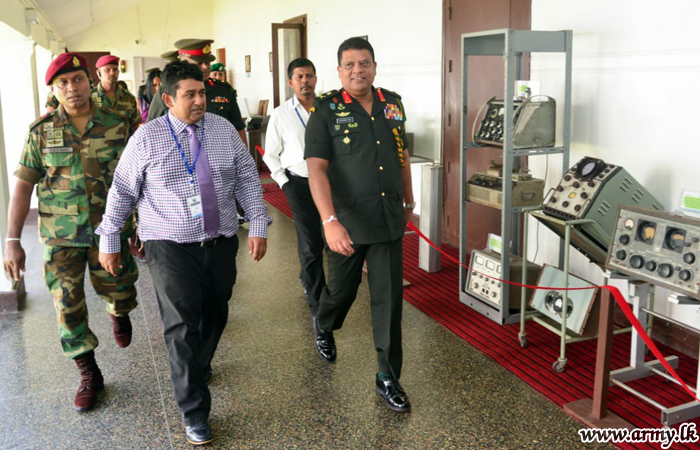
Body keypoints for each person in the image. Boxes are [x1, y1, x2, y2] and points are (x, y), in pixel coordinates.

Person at [96, 60, 271, 445]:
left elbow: (246, 176)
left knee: (216, 310)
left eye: (202, 93)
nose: (199, 101)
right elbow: (122, 190)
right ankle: (194, 411)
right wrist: (109, 239)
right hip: (169, 245)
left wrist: (258, 223)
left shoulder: (222, 130)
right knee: (181, 325)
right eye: (189, 94)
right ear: (168, 98)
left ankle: (198, 364)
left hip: (220, 240)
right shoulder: (147, 137)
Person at [2, 53, 139, 412]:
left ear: (89, 82)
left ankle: (119, 311)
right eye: (62, 82)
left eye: (77, 79)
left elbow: (138, 177)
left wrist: (140, 223)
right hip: (61, 236)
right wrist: (12, 240)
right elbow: (23, 186)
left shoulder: (117, 124)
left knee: (120, 289)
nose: (71, 87)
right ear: (53, 89)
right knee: (67, 305)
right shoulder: (41, 131)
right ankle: (89, 372)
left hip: (109, 230)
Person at [305, 37, 415, 412]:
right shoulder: (326, 109)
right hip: (347, 222)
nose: (358, 70)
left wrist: (409, 199)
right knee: (342, 292)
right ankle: (324, 323)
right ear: (339, 71)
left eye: (364, 63)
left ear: (374, 67)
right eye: (350, 65)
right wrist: (329, 221)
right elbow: (316, 170)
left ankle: (387, 376)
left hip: (388, 219)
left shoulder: (392, 103)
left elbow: (401, 154)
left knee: (389, 299)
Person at [263, 58, 325, 324]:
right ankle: (317, 301)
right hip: (298, 183)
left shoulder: (328, 108)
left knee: (332, 239)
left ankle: (308, 277)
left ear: (316, 79)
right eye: (299, 77)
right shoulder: (280, 114)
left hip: (329, 183)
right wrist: (284, 182)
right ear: (290, 82)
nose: (305, 81)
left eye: (309, 76)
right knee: (310, 243)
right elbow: (270, 154)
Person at [147, 39, 247, 147]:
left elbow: (238, 128)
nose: (205, 67)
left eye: (207, 62)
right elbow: (152, 127)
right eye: (199, 63)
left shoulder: (223, 89)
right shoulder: (168, 91)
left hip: (219, 151)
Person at [93, 55, 142, 133]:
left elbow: (135, 125)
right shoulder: (89, 97)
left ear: (118, 72)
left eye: (115, 69)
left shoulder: (128, 98)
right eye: (107, 70)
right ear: (99, 73)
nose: (112, 73)